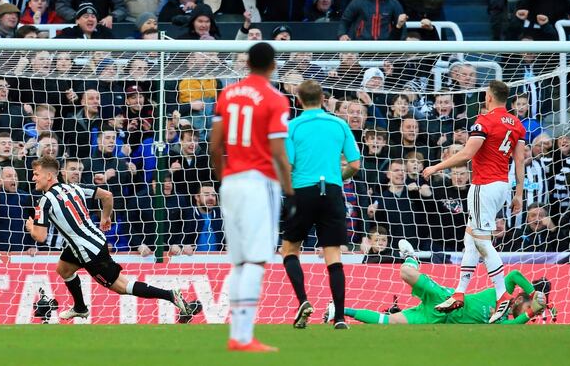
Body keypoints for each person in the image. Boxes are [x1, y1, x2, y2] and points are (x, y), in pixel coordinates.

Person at [25, 156, 194, 321]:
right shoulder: (74, 188)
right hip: (92, 241)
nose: (33, 178)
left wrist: (31, 227)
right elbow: (107, 195)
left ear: (49, 176)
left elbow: (40, 236)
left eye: (36, 174)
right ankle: (80, 307)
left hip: (88, 251)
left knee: (122, 287)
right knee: (64, 269)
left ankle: (170, 295)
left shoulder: (45, 201)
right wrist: (105, 217)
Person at [210, 42, 293, 352]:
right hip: (260, 183)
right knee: (257, 260)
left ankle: (238, 333)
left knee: (239, 261)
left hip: (231, 182)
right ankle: (243, 336)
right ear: (273, 66)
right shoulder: (275, 99)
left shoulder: (227, 94)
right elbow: (277, 153)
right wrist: (289, 189)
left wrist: (224, 176)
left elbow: (214, 145)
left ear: (246, 64)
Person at [423, 80, 526, 323]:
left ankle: (502, 295)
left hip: (483, 186)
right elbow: (519, 161)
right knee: (471, 237)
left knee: (481, 241)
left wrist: (436, 167)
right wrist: (519, 193)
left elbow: (467, 154)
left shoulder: (484, 121)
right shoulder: (516, 124)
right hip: (503, 185)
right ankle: (459, 292)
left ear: (489, 97)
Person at [281, 79, 361, 329]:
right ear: (324, 99)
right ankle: (338, 317)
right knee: (333, 255)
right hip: (333, 192)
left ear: (299, 100)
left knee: (290, 250)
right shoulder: (339, 124)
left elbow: (289, 164)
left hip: (302, 192)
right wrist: (339, 177)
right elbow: (355, 165)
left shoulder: (292, 127)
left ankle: (304, 301)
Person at [327, 239, 547, 325]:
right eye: (529, 307)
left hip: (435, 318)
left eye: (532, 313)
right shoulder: (503, 295)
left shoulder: (502, 320)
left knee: (388, 323)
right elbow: (515, 274)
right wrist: (535, 291)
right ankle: (412, 257)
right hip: (445, 298)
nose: (529, 313)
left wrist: (529, 313)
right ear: (520, 298)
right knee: (406, 272)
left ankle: (338, 310)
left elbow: (510, 327)